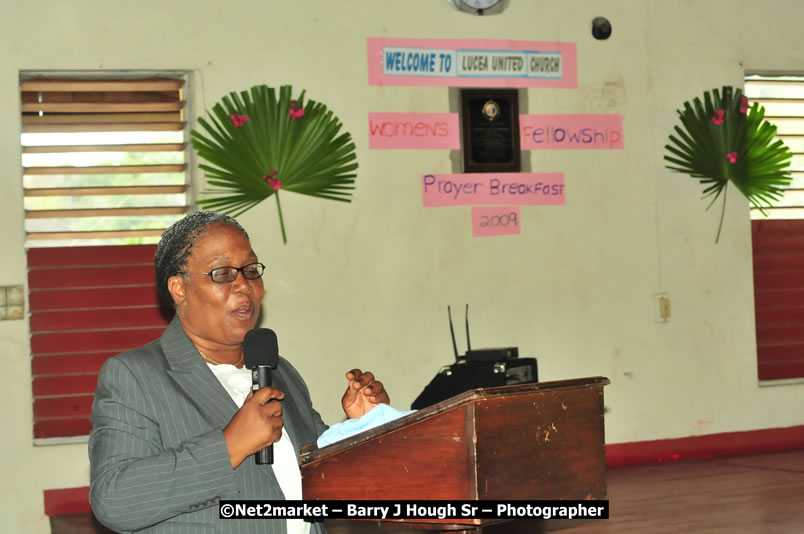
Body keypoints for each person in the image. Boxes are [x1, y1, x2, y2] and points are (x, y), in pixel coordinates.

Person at [89, 211, 389, 534]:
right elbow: (114, 500)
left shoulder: (278, 370)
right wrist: (229, 446)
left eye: (249, 270)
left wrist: (363, 429)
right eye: (223, 273)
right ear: (179, 288)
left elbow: (328, 479)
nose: (244, 285)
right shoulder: (135, 376)